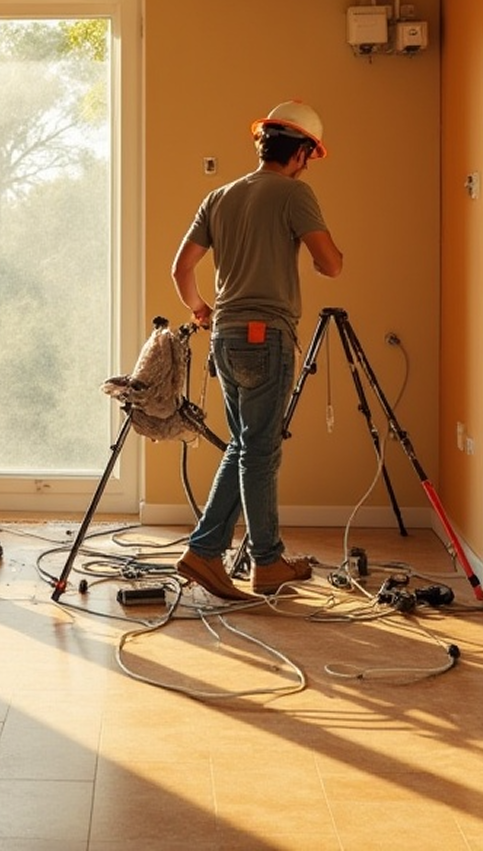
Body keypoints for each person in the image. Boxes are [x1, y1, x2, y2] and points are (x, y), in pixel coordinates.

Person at [170, 100, 343, 600]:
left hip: (225, 335)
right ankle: (265, 562)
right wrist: (325, 258)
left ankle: (205, 551)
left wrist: (202, 310)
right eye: (310, 154)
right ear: (303, 152)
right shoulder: (294, 194)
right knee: (260, 451)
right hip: (266, 337)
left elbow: (181, 269)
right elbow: (330, 265)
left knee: (246, 446)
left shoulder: (219, 196)